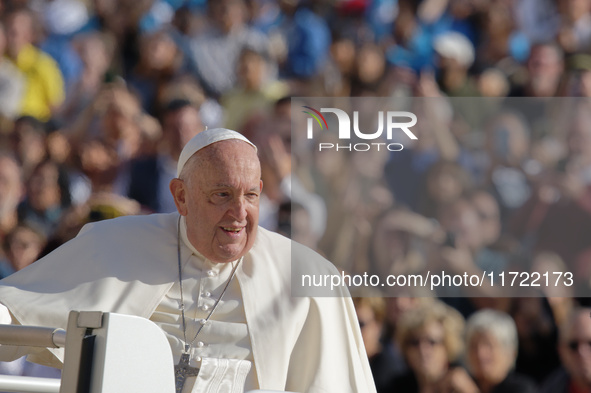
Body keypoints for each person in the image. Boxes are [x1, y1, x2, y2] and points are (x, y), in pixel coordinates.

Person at [0, 128, 376, 393]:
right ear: (180, 197)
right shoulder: (115, 245)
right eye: (221, 195)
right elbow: (14, 310)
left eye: (250, 196)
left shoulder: (307, 275)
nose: (239, 213)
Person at [465, 309, 538, 393]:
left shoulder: (522, 389)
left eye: (489, 345)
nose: (480, 353)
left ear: (510, 353)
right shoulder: (459, 384)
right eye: (474, 346)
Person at [540, 307, 591, 393]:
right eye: (573, 346)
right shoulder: (548, 389)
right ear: (561, 351)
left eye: (590, 343)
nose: (582, 352)